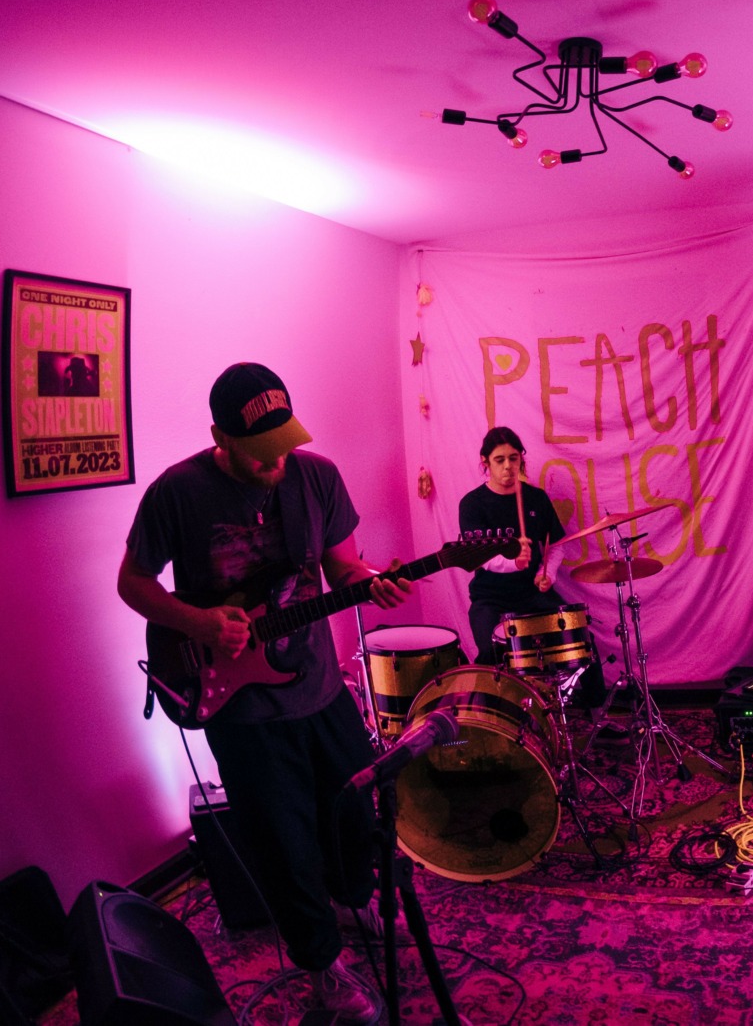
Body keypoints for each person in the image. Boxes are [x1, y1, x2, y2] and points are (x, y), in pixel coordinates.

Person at [117, 363, 410, 1024]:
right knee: (283, 843)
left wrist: (372, 583)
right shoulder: (177, 493)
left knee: (357, 811)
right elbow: (132, 582)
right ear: (219, 436)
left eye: (284, 442)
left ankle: (348, 900)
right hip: (241, 707)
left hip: (321, 686)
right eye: (260, 450)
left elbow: (343, 566)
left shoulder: (317, 477)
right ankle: (323, 968)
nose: (277, 460)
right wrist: (198, 623)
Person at [458, 427, 606, 713]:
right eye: (499, 459)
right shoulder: (472, 504)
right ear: (485, 462)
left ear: (521, 459)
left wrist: (546, 574)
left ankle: (598, 713)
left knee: (580, 635)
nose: (508, 466)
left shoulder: (536, 498)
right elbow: (477, 557)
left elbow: (557, 545)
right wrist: (513, 563)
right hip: (490, 596)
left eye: (513, 458)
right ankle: (493, 719)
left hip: (532, 593)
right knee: (490, 651)